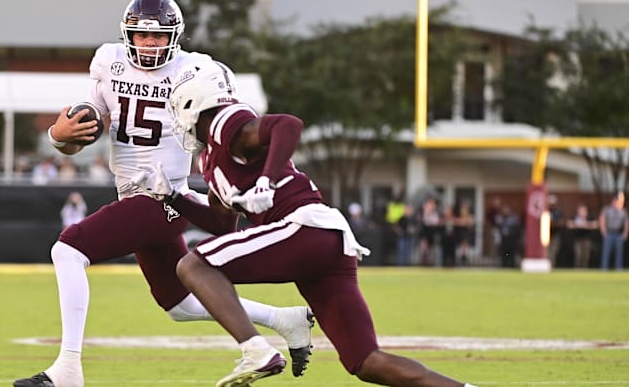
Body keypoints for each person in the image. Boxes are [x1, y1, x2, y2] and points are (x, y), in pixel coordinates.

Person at [13, 0, 313, 387]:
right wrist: (58, 135)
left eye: (159, 37)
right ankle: (284, 320)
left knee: (68, 250)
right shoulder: (108, 60)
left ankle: (67, 370)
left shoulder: (198, 69)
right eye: (141, 36)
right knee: (180, 304)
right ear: (128, 35)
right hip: (139, 194)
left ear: (176, 36)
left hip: (163, 196)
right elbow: (82, 133)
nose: (150, 44)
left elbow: (227, 128)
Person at [132, 60, 477, 387]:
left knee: (192, 265)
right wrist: (174, 198)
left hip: (304, 227)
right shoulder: (211, 159)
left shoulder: (227, 123)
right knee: (366, 361)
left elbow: (288, 124)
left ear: (193, 100)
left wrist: (266, 180)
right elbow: (223, 226)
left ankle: (256, 351)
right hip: (325, 242)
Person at [599, 191, 628, 270]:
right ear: (614, 200)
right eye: (619, 200)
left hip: (618, 234)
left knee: (619, 253)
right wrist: (604, 232)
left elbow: (626, 222)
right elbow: (602, 220)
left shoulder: (623, 211)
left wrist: (625, 233)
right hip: (609, 233)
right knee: (606, 253)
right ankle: (604, 269)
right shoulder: (607, 209)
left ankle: (618, 269)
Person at [566, 203, 598, 268]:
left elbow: (596, 224)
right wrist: (578, 224)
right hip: (577, 239)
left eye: (583, 210)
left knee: (586, 256)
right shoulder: (575, 218)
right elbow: (569, 224)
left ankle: (584, 269)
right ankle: (577, 269)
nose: (582, 212)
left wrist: (586, 224)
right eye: (580, 210)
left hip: (587, 239)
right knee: (578, 255)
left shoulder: (589, 217)